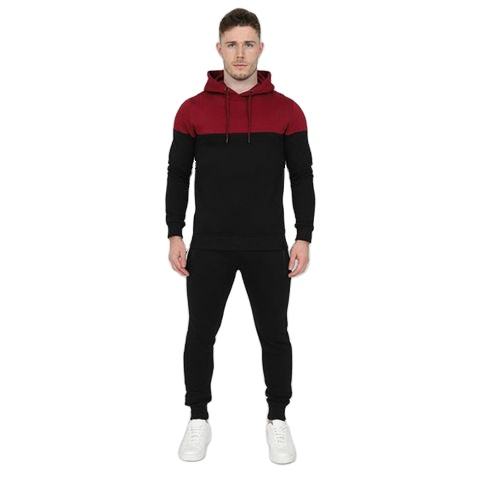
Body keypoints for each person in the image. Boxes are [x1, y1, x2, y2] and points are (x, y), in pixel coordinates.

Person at [165, 8, 315, 464]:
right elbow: (177, 174)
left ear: (261, 48)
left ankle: (277, 418)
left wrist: (304, 235)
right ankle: (198, 417)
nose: (240, 53)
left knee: (275, 334)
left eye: (248, 44)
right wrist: (174, 232)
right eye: (232, 44)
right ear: (219, 49)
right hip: (209, 244)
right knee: (200, 333)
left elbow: (302, 176)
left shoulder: (287, 110)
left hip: (267, 244)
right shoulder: (192, 110)